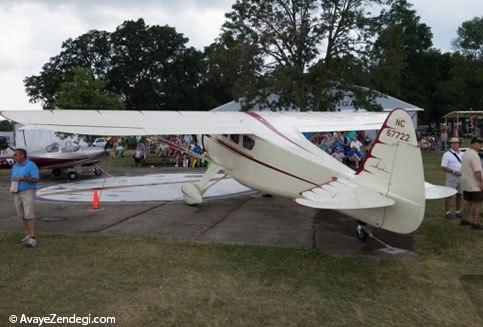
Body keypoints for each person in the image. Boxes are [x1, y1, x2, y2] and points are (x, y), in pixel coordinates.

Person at [10, 148, 40, 247]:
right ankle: (28, 234)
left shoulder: (31, 165)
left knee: (29, 215)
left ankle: (32, 238)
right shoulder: (15, 166)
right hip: (17, 193)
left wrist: (23, 178)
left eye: (15, 155)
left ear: (22, 155)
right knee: (22, 215)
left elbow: (36, 179)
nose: (13, 156)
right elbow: (12, 177)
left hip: (28, 192)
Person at [460, 138, 483, 230]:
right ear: (472, 144)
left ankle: (464, 219)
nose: (481, 145)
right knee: (477, 203)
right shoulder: (474, 155)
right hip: (474, 184)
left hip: (466, 183)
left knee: (468, 201)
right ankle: (475, 223)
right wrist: (481, 182)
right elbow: (477, 171)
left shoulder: (466, 153)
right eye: (479, 143)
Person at [440, 137, 463, 219]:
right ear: (450, 144)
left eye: (457, 142)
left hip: (461, 177)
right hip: (452, 177)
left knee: (459, 194)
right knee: (449, 194)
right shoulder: (447, 154)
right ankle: (447, 212)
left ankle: (458, 211)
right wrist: (454, 172)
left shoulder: (462, 153)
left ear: (459, 144)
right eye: (453, 143)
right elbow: (443, 167)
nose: (455, 144)